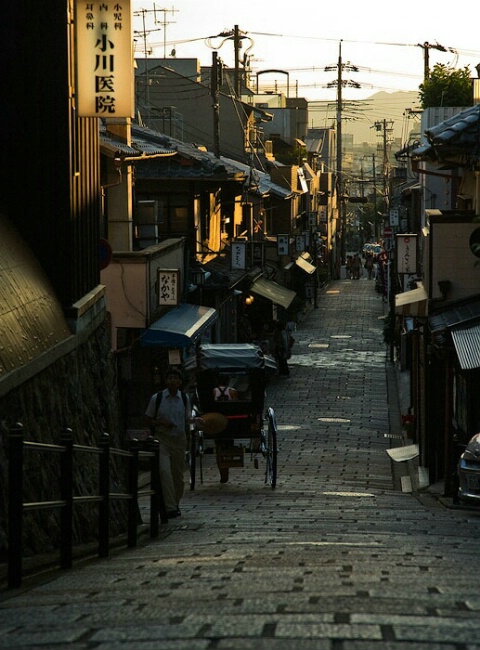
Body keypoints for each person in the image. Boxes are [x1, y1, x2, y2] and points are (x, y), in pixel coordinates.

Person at [144, 369, 201, 518]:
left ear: (180, 382)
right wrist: (160, 422)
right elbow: (147, 418)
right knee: (165, 472)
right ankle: (170, 507)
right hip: (162, 439)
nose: (172, 381)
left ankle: (174, 503)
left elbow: (187, 418)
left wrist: (195, 421)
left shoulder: (184, 398)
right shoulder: (157, 398)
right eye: (170, 378)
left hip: (179, 440)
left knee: (178, 476)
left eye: (175, 378)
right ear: (166, 381)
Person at [213, 374, 238, 483]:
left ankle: (222, 472)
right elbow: (236, 406)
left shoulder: (213, 391)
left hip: (217, 421)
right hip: (230, 422)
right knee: (229, 444)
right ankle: (226, 468)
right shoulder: (233, 392)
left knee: (218, 446)